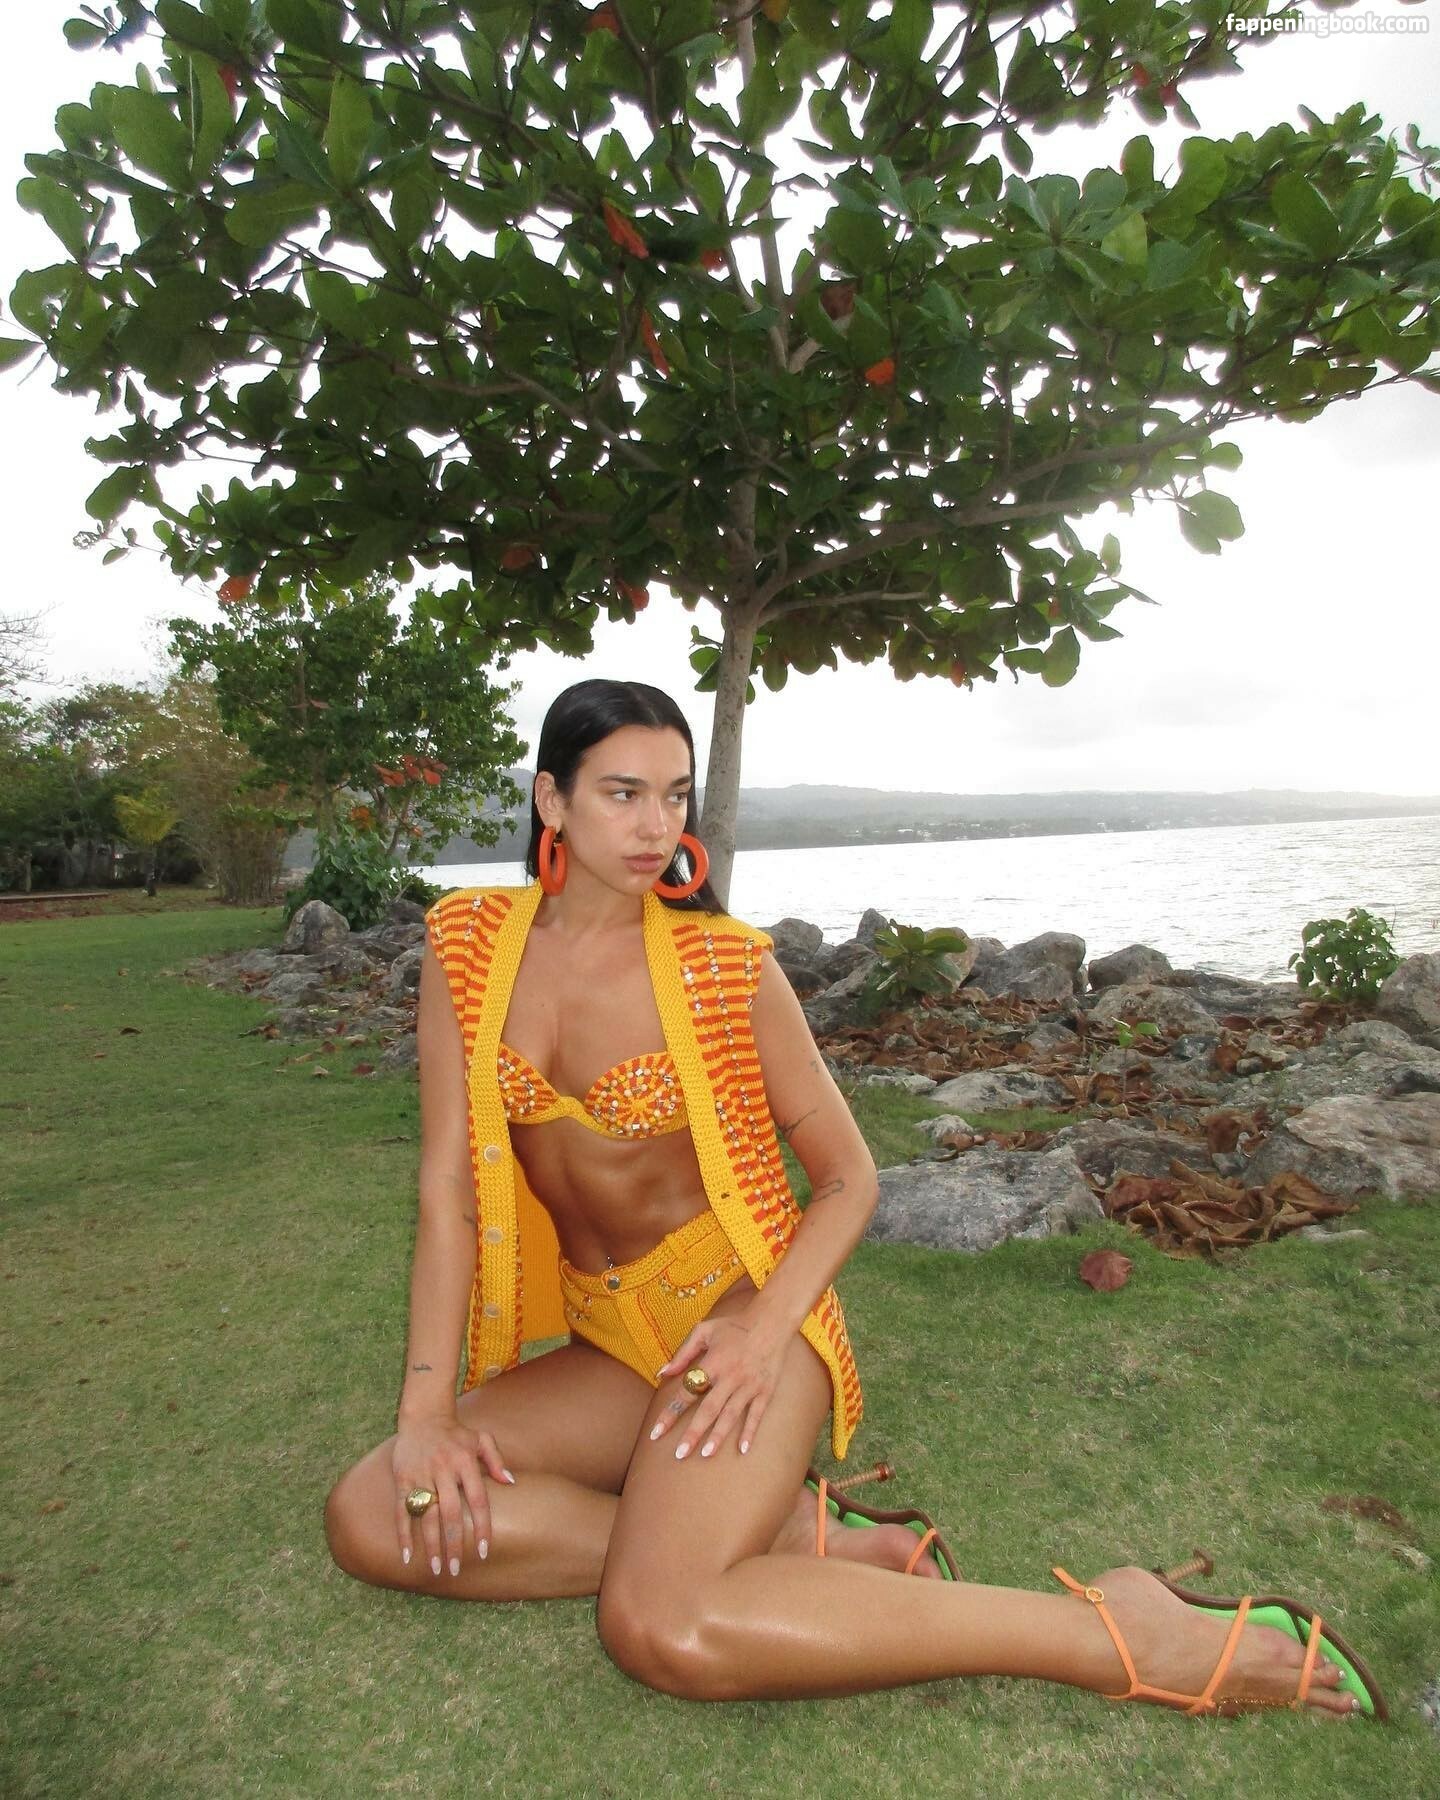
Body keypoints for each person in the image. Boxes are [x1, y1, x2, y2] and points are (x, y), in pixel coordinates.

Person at [324, 679, 1385, 1719]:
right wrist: (426, 1415)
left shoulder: (725, 968)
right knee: (378, 1509)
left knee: (664, 1627)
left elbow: (849, 1177)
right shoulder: (468, 949)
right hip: (611, 1345)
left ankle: (1115, 1634)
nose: (656, 826)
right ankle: (784, 1535)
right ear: (552, 800)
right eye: (623, 793)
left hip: (743, 1321)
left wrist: (761, 1334)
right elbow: (449, 1191)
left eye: (676, 794)